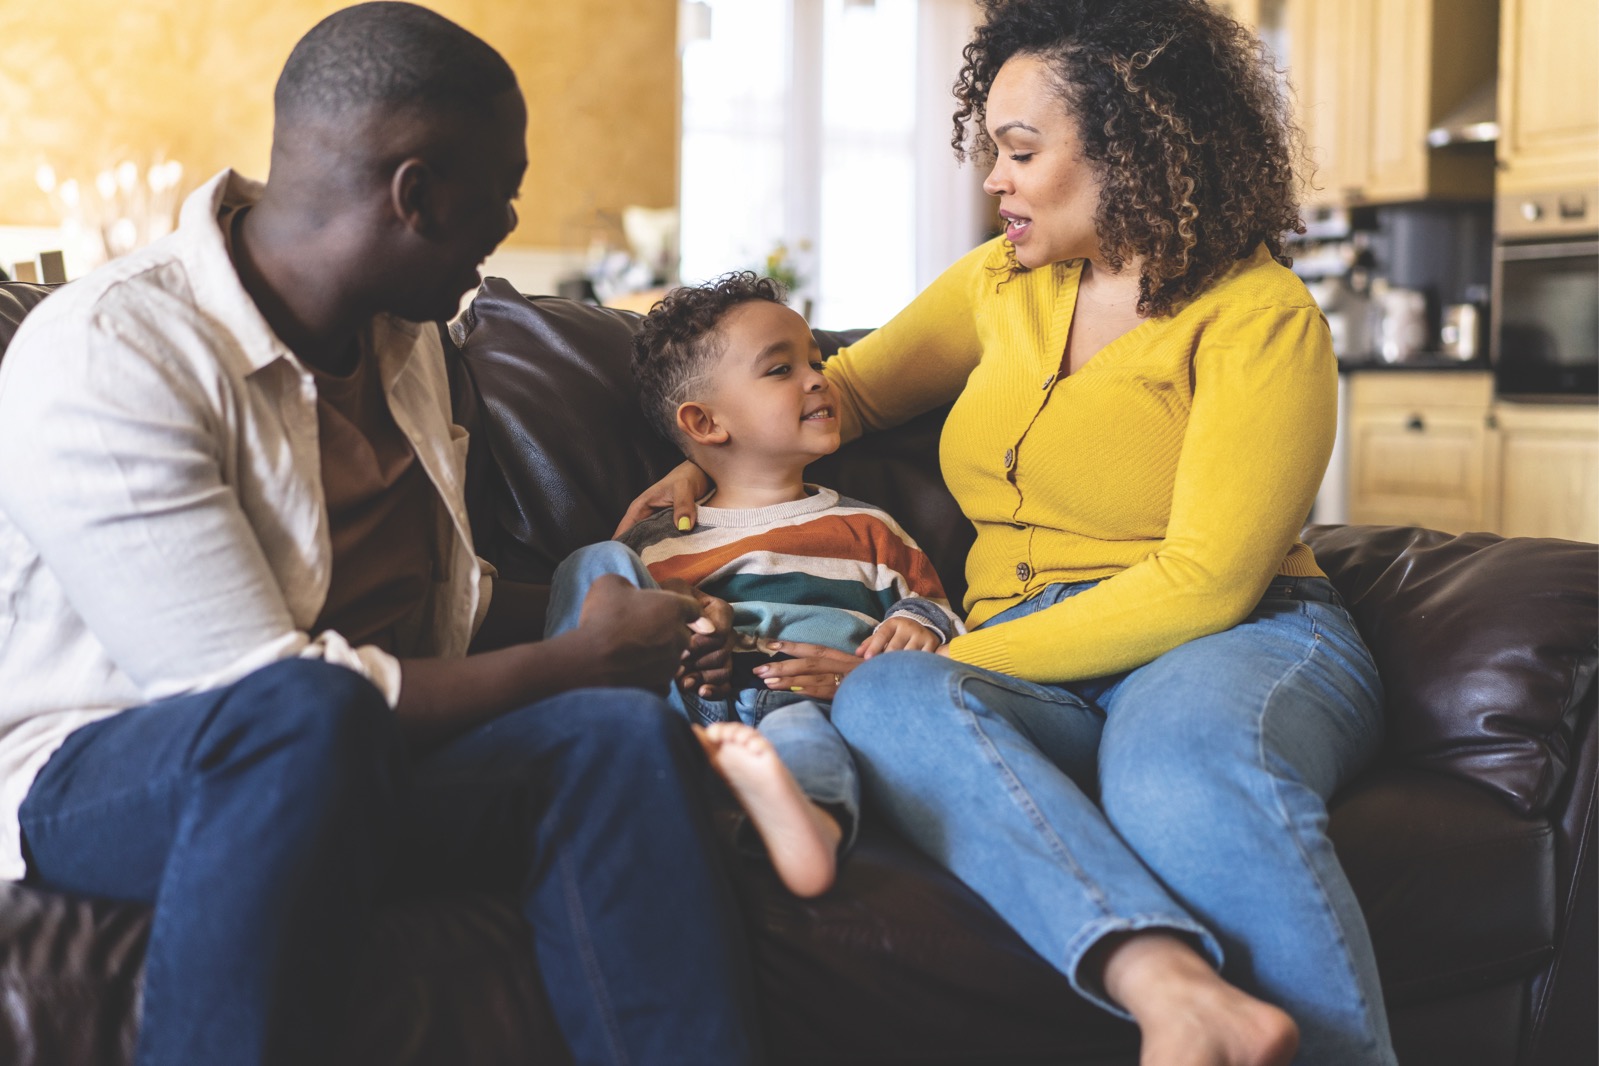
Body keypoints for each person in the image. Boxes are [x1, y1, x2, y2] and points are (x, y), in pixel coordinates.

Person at [617, 1, 1394, 1064]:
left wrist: (959, 647)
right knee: (888, 693)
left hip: (1233, 637)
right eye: (992, 150)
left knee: (1169, 770)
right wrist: (697, 459)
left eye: (1022, 151)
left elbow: (1207, 581)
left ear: (1130, 150)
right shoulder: (1000, 285)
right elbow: (837, 390)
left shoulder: (1259, 316)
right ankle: (1165, 980)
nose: (995, 179)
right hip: (1038, 654)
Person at [0, 5, 761, 1065]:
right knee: (305, 716)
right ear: (417, 194)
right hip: (112, 775)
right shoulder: (112, 351)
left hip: (362, 751)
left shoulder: (403, 338)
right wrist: (572, 659)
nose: (509, 218)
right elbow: (247, 692)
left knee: (613, 737)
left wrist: (632, 628)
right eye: (504, 186)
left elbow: (438, 615)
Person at [549, 271, 961, 898]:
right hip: (687, 712)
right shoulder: (659, 542)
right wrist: (688, 627)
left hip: (807, 705)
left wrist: (918, 625)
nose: (819, 377)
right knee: (594, 563)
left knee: (807, 740)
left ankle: (812, 828)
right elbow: (622, 622)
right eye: (780, 370)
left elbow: (934, 608)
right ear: (706, 423)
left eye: (816, 362)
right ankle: (605, 739)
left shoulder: (868, 528)